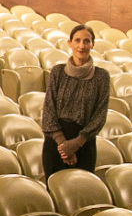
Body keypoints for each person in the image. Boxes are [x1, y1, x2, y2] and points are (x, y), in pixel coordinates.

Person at [41, 24, 109, 178]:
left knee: (82, 194)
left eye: (86, 41)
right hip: (56, 144)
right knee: (56, 193)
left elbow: (100, 115)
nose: (81, 45)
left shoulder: (102, 77)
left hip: (85, 144)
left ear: (92, 44)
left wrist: (77, 143)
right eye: (77, 40)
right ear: (69, 43)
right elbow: (49, 110)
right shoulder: (57, 72)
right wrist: (64, 146)